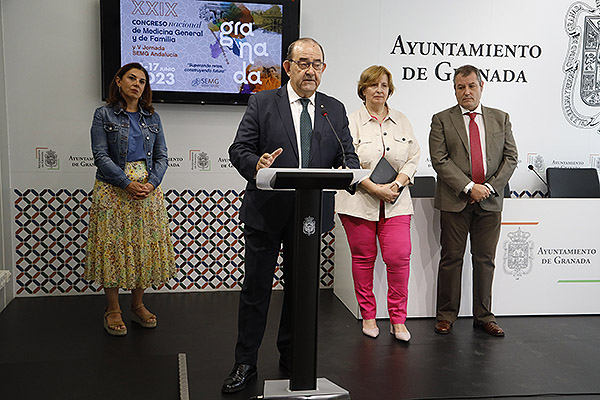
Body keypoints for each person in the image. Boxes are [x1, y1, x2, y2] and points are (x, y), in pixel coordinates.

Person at [223, 37, 360, 394]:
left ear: (324, 69)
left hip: (309, 219)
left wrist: (350, 170)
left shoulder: (334, 109)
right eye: (303, 63)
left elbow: (349, 156)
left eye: (317, 64)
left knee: (301, 291)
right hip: (267, 213)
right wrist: (258, 164)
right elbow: (239, 149)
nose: (310, 70)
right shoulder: (263, 101)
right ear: (288, 67)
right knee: (257, 290)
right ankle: (245, 361)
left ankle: (292, 353)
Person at [85, 62, 176, 336]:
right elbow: (100, 156)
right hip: (113, 189)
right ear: (119, 81)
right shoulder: (103, 115)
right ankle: (113, 309)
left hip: (147, 191)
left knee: (142, 247)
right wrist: (126, 183)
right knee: (112, 247)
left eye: (143, 81)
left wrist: (150, 183)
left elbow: (162, 156)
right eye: (132, 78)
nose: (137, 84)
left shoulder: (153, 117)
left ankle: (137, 305)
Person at [428, 64, 517, 337]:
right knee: (451, 258)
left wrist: (488, 187)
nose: (466, 91)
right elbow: (439, 160)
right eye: (460, 87)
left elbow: (511, 158)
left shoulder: (500, 118)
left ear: (481, 87)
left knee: (485, 259)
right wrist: (469, 187)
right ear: (455, 90)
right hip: (456, 200)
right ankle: (446, 316)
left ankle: (484, 317)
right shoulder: (441, 119)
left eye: (471, 86)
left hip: (489, 202)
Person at [336, 66, 420, 342]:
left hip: (396, 202)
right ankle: (368, 315)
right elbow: (344, 160)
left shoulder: (402, 120)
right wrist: (372, 187)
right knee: (363, 259)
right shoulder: (350, 121)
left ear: (389, 89)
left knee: (398, 258)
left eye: (384, 85)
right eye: (373, 85)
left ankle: (398, 320)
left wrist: (397, 184)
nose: (379, 90)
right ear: (363, 90)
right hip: (359, 202)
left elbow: (414, 156)